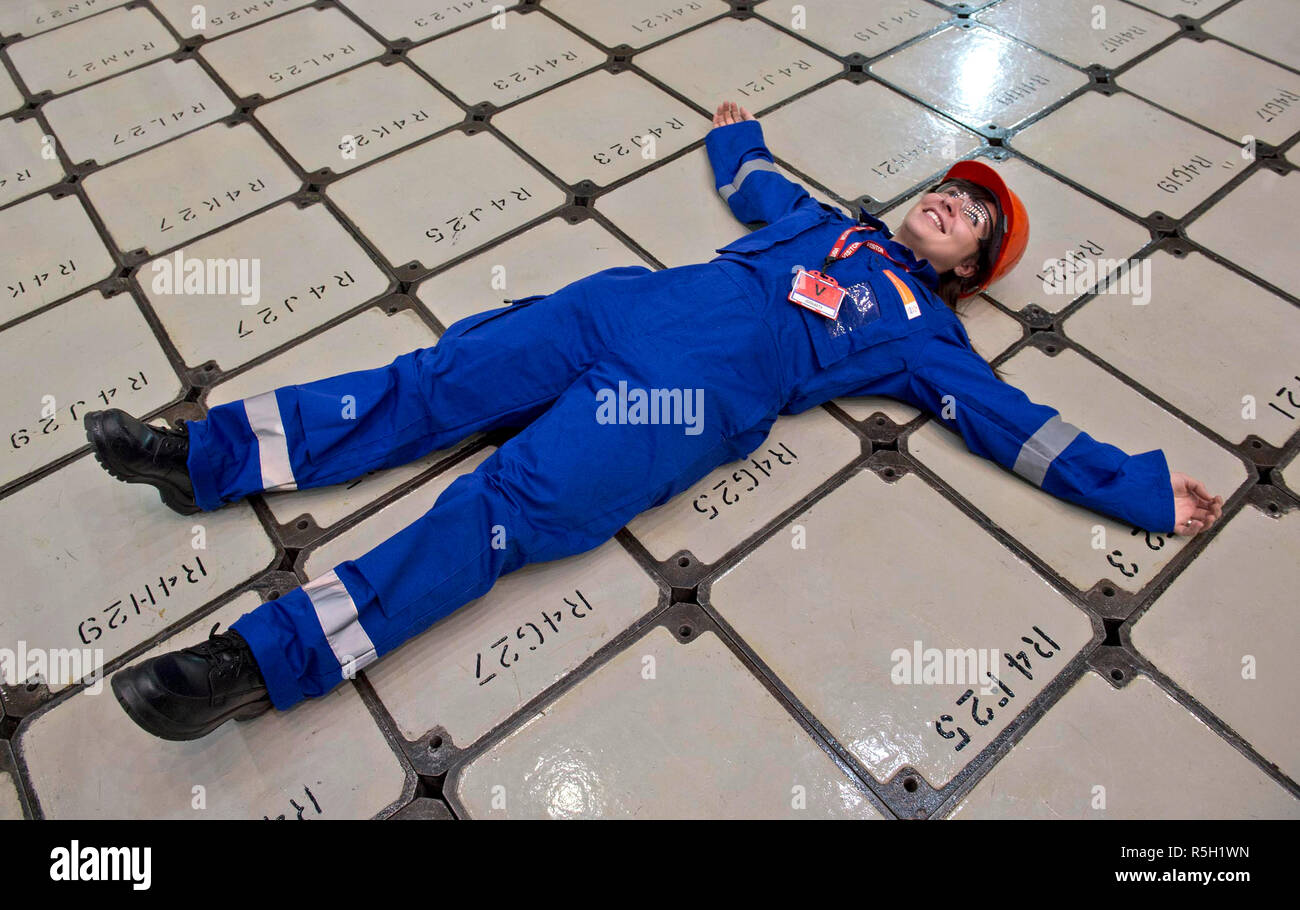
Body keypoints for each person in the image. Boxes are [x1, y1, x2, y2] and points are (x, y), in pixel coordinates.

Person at [83, 100, 1223, 741]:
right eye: (954, 186)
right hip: (607, 309)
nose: (951, 203)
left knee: (497, 507)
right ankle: (204, 456)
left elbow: (1015, 425)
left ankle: (254, 664)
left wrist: (1136, 487)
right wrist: (736, 133)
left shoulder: (927, 333)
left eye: (973, 217)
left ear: (969, 266)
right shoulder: (818, 220)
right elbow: (749, 183)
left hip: (676, 404)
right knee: (428, 384)